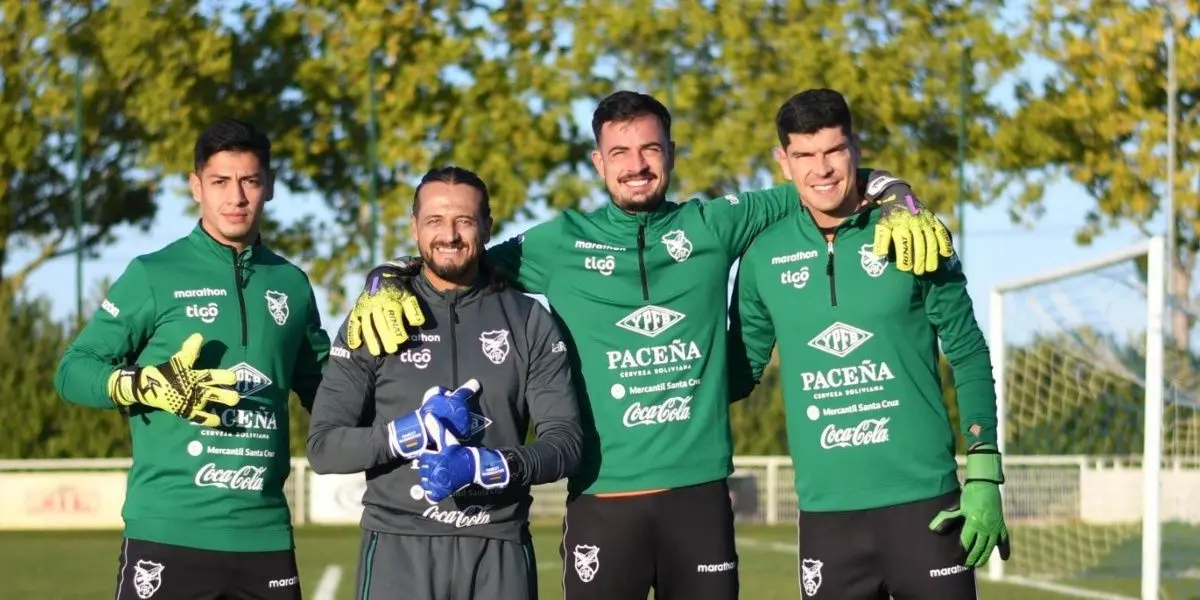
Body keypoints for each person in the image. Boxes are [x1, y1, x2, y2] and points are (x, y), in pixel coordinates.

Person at [343, 91, 954, 600]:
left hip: (699, 499)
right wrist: (384, 278)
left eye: (650, 149)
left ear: (671, 154)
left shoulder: (714, 224)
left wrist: (899, 195)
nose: (636, 165)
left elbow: (822, 177)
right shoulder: (559, 243)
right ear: (598, 162)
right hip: (603, 498)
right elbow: (456, 256)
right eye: (620, 152)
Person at [727, 88, 1010, 600]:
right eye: (804, 155)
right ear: (783, 162)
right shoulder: (763, 255)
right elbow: (739, 371)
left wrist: (985, 466)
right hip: (826, 514)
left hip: (926, 502)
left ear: (854, 149)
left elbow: (968, 351)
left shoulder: (912, 231)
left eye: (834, 151)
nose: (821, 169)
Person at [55, 118, 333, 600]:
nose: (236, 197)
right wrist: (140, 384)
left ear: (269, 186)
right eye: (220, 181)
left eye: (249, 181)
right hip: (167, 534)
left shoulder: (291, 284)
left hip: (264, 536)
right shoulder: (152, 274)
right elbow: (73, 370)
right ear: (196, 186)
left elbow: (330, 391)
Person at [305, 165, 583, 600]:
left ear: (487, 227)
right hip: (399, 550)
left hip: (498, 547)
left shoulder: (529, 319)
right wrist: (406, 434)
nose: (449, 235)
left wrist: (491, 466)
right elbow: (323, 447)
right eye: (434, 220)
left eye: (464, 220)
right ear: (414, 226)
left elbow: (566, 444)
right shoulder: (375, 317)